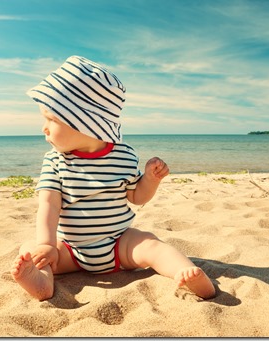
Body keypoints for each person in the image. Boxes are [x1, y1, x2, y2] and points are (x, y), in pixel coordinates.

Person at [11, 56, 216, 300]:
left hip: (119, 243)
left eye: (51, 119)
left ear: (85, 122)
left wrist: (150, 180)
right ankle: (42, 282)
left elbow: (136, 197)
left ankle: (185, 273)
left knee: (150, 244)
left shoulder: (124, 155)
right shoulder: (55, 161)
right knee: (31, 250)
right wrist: (46, 244)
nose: (44, 128)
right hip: (70, 250)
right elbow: (49, 205)